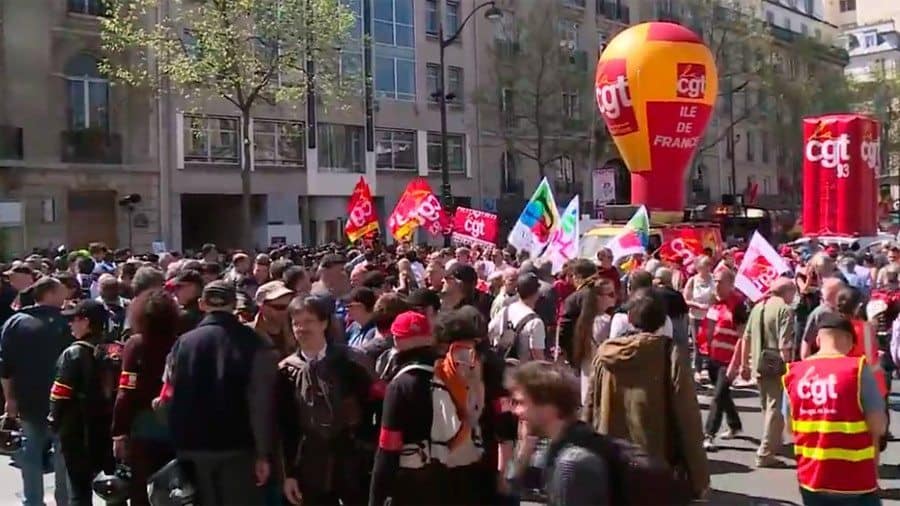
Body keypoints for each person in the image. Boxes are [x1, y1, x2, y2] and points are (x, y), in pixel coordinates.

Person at [158, 280, 279, 505]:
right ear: (234, 305)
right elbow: (260, 403)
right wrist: (263, 453)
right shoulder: (254, 342)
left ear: (202, 304)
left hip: (193, 448)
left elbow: (167, 396)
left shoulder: (183, 343)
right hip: (239, 449)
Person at [583, 288, 709, 500]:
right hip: (656, 461)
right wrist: (699, 476)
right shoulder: (669, 354)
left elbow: (589, 406)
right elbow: (688, 417)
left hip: (611, 459)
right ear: (663, 320)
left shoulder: (605, 353)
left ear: (630, 318)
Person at [278, 296, 375, 506]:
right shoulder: (286, 371)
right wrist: (289, 474)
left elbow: (372, 409)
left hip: (352, 463)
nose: (302, 328)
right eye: (296, 323)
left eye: (309, 321)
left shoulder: (351, 363)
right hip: (309, 467)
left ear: (324, 323)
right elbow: (285, 427)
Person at [783, 313, 886, 506]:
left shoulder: (794, 373)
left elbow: (789, 427)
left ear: (818, 340)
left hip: (811, 478)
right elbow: (878, 426)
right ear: (848, 340)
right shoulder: (857, 369)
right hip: (854, 480)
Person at [0, 276, 71, 506]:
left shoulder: (15, 323)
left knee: (30, 451)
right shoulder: (67, 323)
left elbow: (5, 366)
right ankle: (64, 500)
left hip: (28, 399)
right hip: (64, 400)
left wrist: (10, 399)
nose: (65, 297)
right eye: (61, 292)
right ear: (49, 293)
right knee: (62, 454)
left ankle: (33, 501)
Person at [112, 289, 180, 505]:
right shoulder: (180, 343)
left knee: (140, 491)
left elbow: (125, 391)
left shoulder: (136, 345)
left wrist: (119, 431)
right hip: (174, 425)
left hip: (143, 427)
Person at [509, 361, 609, 506]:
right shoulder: (558, 448)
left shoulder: (572, 462)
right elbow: (512, 486)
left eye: (521, 402)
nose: (515, 411)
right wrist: (524, 448)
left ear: (547, 406)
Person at [49, 300, 119, 505]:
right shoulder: (115, 350)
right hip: (109, 428)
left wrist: (54, 419)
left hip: (78, 430)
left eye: (74, 319)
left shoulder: (73, 353)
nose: (70, 324)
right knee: (113, 489)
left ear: (86, 322)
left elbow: (60, 394)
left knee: (79, 490)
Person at [740, 276, 796, 467]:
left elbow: (746, 338)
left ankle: (774, 442)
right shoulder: (785, 310)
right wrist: (790, 368)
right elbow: (785, 344)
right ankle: (765, 452)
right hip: (775, 365)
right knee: (775, 408)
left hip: (758, 362)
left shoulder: (758, 307)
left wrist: (744, 364)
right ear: (787, 292)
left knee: (767, 406)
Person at [698, 269, 749, 451]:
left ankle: (708, 434)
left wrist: (739, 364)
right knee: (723, 395)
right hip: (713, 357)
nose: (716, 285)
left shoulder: (738, 306)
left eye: (720, 281)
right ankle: (735, 425)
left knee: (718, 396)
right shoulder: (715, 303)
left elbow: (744, 337)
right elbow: (709, 329)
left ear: (730, 284)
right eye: (715, 281)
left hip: (729, 361)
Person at [571, 278, 616, 404]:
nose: (615, 297)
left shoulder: (584, 321)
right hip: (600, 377)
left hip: (587, 376)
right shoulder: (605, 322)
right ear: (598, 298)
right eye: (611, 294)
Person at [488, 272, 547, 363]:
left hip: (503, 366)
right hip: (523, 370)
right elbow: (538, 358)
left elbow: (489, 332)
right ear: (536, 293)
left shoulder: (505, 310)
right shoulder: (535, 322)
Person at [557, 259, 599, 364]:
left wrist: (566, 353)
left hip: (579, 351)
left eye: (573, 275)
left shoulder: (574, 299)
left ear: (578, 277)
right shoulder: (601, 293)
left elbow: (564, 329)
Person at [683, 256, 714, 377]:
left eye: (709, 265)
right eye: (705, 265)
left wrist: (713, 303)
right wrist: (698, 305)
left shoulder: (714, 279)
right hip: (696, 316)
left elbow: (718, 296)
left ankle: (710, 368)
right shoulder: (693, 280)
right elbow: (686, 299)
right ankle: (697, 369)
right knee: (697, 342)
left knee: (710, 342)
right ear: (698, 267)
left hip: (711, 316)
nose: (707, 268)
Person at [801, 277, 844, 359]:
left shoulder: (846, 310)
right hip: (823, 357)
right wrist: (805, 359)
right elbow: (807, 340)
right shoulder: (819, 313)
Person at [251, 280, 295, 358]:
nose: (286, 311)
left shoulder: (296, 328)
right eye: (280, 307)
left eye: (289, 306)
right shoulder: (248, 334)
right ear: (262, 307)